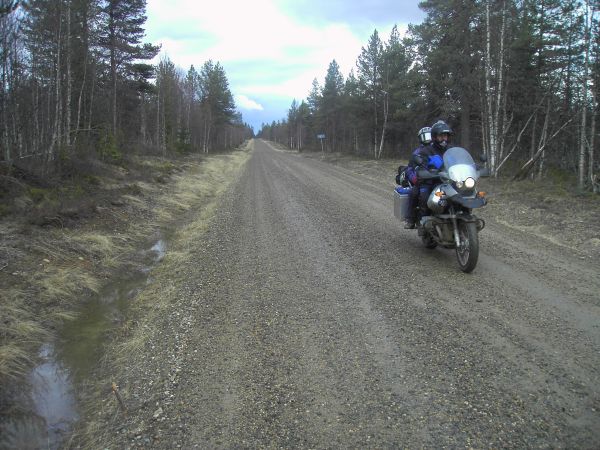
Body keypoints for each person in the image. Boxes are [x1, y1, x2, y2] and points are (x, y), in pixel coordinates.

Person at [403, 120, 453, 229]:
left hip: (448, 181)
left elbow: (459, 162)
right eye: (441, 136)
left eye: (445, 136)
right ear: (435, 137)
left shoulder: (451, 150)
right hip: (429, 181)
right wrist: (424, 173)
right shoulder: (424, 151)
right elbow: (417, 167)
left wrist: (473, 167)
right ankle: (422, 221)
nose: (444, 139)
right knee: (422, 196)